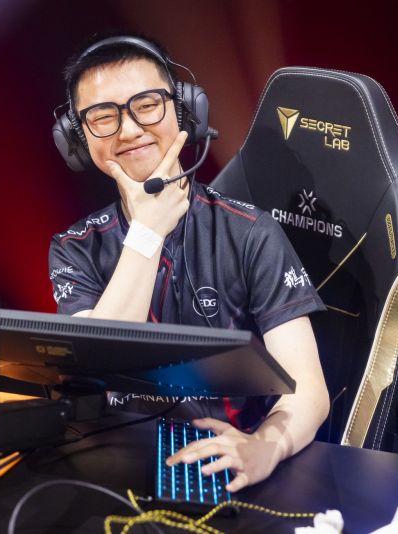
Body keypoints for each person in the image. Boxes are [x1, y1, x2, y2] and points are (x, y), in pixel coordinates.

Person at [48, 34, 329, 492]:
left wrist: (264, 447)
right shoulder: (75, 247)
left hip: (225, 465)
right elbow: (99, 366)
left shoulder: (250, 233)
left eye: (147, 105)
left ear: (184, 110)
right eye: (102, 116)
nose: (129, 130)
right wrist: (148, 231)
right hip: (111, 464)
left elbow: (308, 391)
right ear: (77, 140)